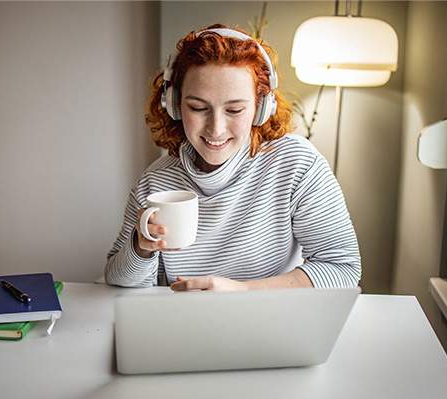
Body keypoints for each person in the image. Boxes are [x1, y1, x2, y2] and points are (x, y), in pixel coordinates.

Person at [104, 24, 361, 291]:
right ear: (175, 104)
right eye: (198, 107)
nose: (216, 129)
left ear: (261, 108)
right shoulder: (156, 181)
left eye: (234, 109)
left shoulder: (297, 165)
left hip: (270, 322)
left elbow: (342, 269)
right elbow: (119, 282)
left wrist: (244, 291)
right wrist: (140, 247)